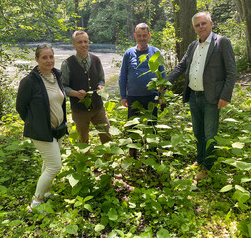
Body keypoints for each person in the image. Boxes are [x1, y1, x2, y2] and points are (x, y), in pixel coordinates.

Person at [166, 11, 236, 181]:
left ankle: (207, 167)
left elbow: (231, 71)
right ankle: (200, 160)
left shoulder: (222, 43)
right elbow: (181, 67)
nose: (201, 27)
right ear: (194, 28)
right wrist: (164, 83)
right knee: (198, 132)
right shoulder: (192, 46)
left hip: (211, 97)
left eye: (204, 23)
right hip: (194, 96)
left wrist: (225, 95)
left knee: (209, 134)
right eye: (197, 25)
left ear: (211, 23)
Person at [16, 44, 68, 212]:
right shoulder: (29, 81)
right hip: (41, 132)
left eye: (51, 57)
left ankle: (46, 192)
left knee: (48, 163)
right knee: (55, 166)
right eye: (44, 57)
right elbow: (21, 107)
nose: (48, 60)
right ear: (36, 59)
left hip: (57, 129)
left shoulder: (57, 75)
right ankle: (36, 202)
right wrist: (34, 122)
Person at [118, 23, 166, 157]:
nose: (142, 38)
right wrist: (123, 95)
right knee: (133, 126)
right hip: (133, 96)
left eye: (144, 35)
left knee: (152, 124)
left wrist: (162, 95)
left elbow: (162, 75)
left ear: (149, 35)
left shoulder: (155, 52)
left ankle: (152, 152)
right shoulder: (129, 53)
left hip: (152, 96)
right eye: (139, 36)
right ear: (135, 36)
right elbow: (122, 76)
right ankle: (133, 152)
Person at [61, 30, 112, 144]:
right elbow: (62, 87)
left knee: (107, 135)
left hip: (98, 108)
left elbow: (101, 80)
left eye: (85, 41)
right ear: (74, 44)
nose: (83, 45)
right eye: (80, 42)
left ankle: (108, 160)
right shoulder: (67, 64)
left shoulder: (96, 60)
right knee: (83, 140)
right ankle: (85, 161)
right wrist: (75, 93)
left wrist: (100, 86)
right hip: (79, 111)